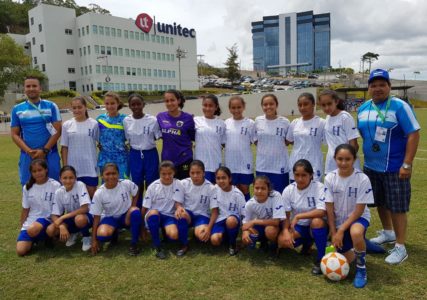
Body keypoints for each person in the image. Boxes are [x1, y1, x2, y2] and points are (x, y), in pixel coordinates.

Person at [358, 69, 420, 264]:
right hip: (371, 166)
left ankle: (400, 247)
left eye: (382, 85)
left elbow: (413, 134)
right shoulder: (363, 108)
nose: (377, 89)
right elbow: (364, 135)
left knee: (397, 206)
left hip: (395, 167)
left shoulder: (400, 106)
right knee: (380, 202)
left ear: (389, 86)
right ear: (368, 88)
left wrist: (407, 163)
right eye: (373, 85)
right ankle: (387, 232)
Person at [324, 144, 374, 288]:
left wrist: (340, 231)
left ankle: (361, 269)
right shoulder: (330, 178)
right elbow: (329, 207)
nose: (343, 163)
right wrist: (333, 232)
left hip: (357, 219)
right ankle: (363, 244)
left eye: (348, 159)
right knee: (339, 259)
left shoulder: (362, 179)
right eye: (340, 159)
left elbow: (359, 210)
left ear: (354, 159)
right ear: (334, 159)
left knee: (356, 232)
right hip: (339, 221)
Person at [278, 159, 328, 275]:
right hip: (298, 227)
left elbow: (322, 211)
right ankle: (307, 243)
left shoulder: (319, 187)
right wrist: (285, 231)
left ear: (311, 175)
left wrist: (299, 216)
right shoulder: (288, 190)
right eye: (297, 175)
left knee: (317, 222)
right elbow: (286, 216)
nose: (300, 179)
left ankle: (321, 259)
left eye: (304, 175)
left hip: (315, 225)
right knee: (282, 242)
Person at [11, 76, 62, 185]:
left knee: (54, 187)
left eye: (34, 86)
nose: (31, 88)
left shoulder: (51, 106)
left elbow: (57, 131)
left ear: (40, 88)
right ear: (24, 89)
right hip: (27, 155)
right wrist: (29, 151)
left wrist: (44, 151)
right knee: (28, 187)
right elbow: (14, 134)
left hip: (50, 154)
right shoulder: (17, 109)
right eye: (28, 86)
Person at [90, 163, 142, 256]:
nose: (111, 176)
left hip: (125, 217)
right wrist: (94, 240)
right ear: (102, 176)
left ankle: (134, 244)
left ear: (118, 174)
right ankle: (114, 234)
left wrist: (132, 207)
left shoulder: (126, 183)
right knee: (102, 235)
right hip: (110, 218)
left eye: (114, 173)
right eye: (107, 174)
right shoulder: (99, 193)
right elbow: (96, 217)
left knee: (135, 212)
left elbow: (136, 191)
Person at [16, 159, 61, 256]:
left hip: (48, 219)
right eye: (34, 171)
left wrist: (57, 224)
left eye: (40, 170)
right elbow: (25, 209)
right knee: (21, 251)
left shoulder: (55, 185)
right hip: (31, 222)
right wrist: (22, 226)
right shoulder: (27, 187)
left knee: (33, 229)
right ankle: (37, 238)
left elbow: (60, 208)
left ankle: (48, 237)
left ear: (46, 170)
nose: (37, 173)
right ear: (31, 173)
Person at [124, 93, 161, 207]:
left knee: (152, 182)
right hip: (135, 154)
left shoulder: (152, 120)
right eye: (133, 104)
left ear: (143, 105)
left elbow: (157, 136)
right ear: (129, 106)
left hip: (150, 154)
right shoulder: (126, 120)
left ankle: (152, 208)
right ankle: (137, 208)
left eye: (138, 104)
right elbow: (126, 138)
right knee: (136, 183)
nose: (136, 107)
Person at [142, 161, 185, 259]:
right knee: (154, 213)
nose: (167, 176)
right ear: (159, 174)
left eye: (169, 173)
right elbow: (144, 208)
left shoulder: (178, 183)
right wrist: (142, 228)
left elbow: (178, 203)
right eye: (163, 174)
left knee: (174, 236)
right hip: (154, 216)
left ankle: (165, 234)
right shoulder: (153, 186)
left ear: (174, 172)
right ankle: (157, 246)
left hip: (169, 216)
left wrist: (179, 208)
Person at [176, 160, 219, 255]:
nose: (195, 176)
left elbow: (215, 211)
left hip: (202, 216)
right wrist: (179, 207)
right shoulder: (183, 183)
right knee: (181, 214)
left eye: (198, 173)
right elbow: (178, 202)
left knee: (202, 236)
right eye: (192, 173)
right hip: (188, 214)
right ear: (189, 173)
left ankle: (197, 232)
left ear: (204, 173)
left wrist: (209, 228)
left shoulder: (211, 188)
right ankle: (184, 244)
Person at [46, 165, 92, 251]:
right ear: (60, 178)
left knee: (79, 219)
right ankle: (74, 232)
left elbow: (85, 208)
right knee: (50, 230)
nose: (68, 181)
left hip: (86, 216)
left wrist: (63, 217)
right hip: (72, 218)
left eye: (71, 178)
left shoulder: (80, 185)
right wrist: (61, 226)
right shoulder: (59, 192)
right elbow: (53, 214)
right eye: (65, 178)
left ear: (75, 178)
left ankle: (86, 237)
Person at [61, 96, 99, 198]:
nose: (77, 110)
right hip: (73, 168)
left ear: (85, 107)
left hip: (89, 167)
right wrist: (65, 167)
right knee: (74, 198)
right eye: (74, 108)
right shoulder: (66, 125)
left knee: (91, 199)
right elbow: (64, 147)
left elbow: (100, 144)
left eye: (79, 107)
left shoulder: (94, 124)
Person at [254, 94, 291, 193]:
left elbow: (287, 141)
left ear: (276, 105)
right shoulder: (257, 121)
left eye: (271, 104)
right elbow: (256, 140)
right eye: (265, 104)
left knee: (280, 196)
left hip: (280, 167)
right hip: (262, 166)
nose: (268, 107)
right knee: (263, 195)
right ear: (262, 106)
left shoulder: (285, 122)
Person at [319, 90, 360, 174]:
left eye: (329, 104)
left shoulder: (345, 117)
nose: (326, 107)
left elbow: (354, 144)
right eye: (323, 105)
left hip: (346, 164)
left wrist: (349, 162)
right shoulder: (327, 118)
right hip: (331, 163)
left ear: (336, 102)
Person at [286, 93, 325, 182]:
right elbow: (289, 141)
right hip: (295, 164)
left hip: (314, 166)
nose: (302, 108)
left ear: (313, 104)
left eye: (306, 104)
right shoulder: (295, 123)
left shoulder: (321, 123)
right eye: (300, 105)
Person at [157, 90, 195, 180]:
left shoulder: (188, 118)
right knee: (168, 188)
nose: (169, 103)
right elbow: (157, 134)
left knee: (184, 188)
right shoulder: (160, 117)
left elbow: (192, 137)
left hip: (184, 159)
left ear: (178, 101)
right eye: (167, 101)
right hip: (167, 160)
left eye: (172, 100)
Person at [242, 176, 285, 254]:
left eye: (263, 188)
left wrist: (254, 222)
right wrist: (245, 232)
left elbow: (276, 222)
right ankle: (263, 243)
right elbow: (245, 224)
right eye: (257, 188)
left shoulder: (276, 196)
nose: (259, 191)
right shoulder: (250, 204)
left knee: (270, 230)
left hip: (276, 227)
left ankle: (274, 245)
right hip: (261, 226)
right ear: (253, 188)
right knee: (248, 233)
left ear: (268, 189)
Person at [224, 96, 255, 200]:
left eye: (239, 107)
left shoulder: (250, 123)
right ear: (229, 108)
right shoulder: (226, 123)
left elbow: (254, 141)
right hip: (231, 162)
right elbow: (223, 142)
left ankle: (247, 213)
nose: (236, 110)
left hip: (245, 160)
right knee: (234, 189)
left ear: (244, 107)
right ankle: (236, 212)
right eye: (233, 108)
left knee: (245, 188)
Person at [210, 167, 246, 255]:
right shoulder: (215, 190)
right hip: (220, 219)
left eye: (223, 178)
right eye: (218, 178)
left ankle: (232, 243)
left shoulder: (237, 194)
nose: (221, 181)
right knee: (215, 240)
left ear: (229, 178)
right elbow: (214, 211)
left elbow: (244, 214)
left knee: (230, 220)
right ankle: (227, 235)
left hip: (233, 220)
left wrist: (244, 232)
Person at [194, 95, 226, 183]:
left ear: (216, 107)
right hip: (200, 164)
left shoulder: (221, 123)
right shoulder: (195, 121)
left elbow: (224, 143)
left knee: (215, 192)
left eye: (211, 106)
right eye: (205, 105)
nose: (207, 108)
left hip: (216, 164)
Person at [97, 92, 128, 179]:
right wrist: (99, 143)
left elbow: (131, 137)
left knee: (122, 184)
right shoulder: (100, 119)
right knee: (107, 186)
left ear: (118, 103)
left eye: (112, 103)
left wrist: (127, 145)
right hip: (105, 158)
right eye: (107, 103)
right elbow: (95, 136)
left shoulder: (125, 119)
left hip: (121, 159)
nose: (110, 106)